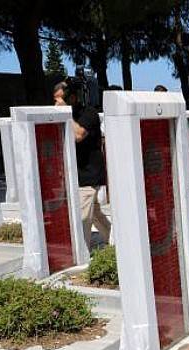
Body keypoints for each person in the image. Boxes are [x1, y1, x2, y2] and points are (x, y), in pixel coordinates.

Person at [56, 80, 111, 248]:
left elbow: (78, 135)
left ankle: (83, 252)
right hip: (75, 174)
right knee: (94, 213)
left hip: (89, 174)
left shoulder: (89, 113)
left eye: (61, 99)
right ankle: (115, 239)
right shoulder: (66, 116)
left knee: (82, 216)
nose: (57, 103)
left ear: (71, 98)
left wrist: (64, 114)